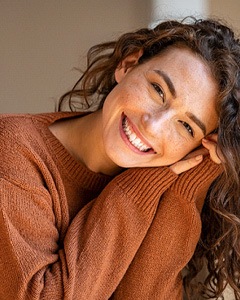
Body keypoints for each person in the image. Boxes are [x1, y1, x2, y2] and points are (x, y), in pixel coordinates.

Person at [0, 17, 239, 300]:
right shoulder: (14, 147)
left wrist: (187, 185)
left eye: (186, 127)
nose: (153, 125)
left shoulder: (166, 189)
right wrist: (143, 183)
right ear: (127, 65)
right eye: (158, 89)